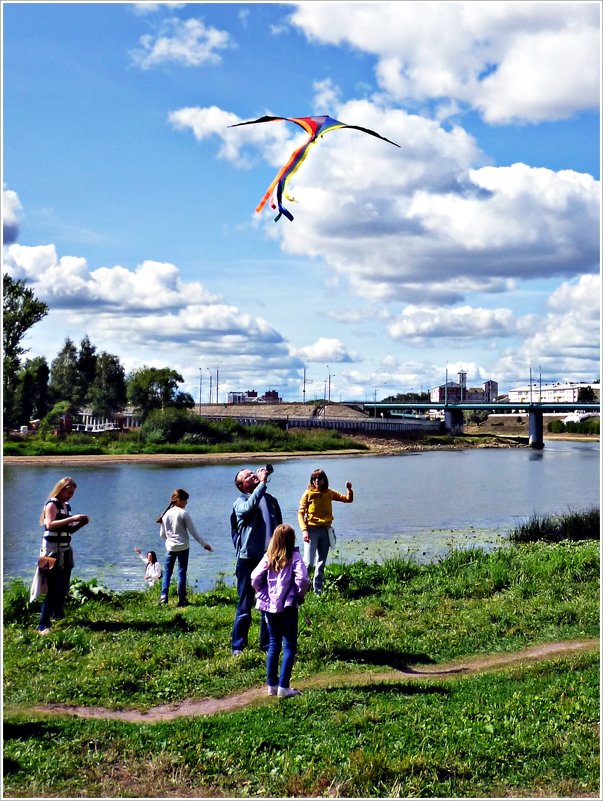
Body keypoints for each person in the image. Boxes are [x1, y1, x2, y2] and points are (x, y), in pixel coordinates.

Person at [251, 523, 310, 697]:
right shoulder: (295, 556)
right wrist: (299, 595)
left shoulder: (268, 556)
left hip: (269, 607)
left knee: (274, 644)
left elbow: (254, 577)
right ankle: (284, 687)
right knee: (290, 645)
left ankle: (272, 685)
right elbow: (304, 579)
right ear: (292, 540)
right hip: (289, 606)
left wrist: (261, 591)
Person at [231, 466, 282, 655]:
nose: (253, 475)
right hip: (248, 560)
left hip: (269, 559)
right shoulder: (241, 501)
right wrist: (262, 483)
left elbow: (279, 529)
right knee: (245, 604)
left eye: (253, 473)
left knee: (268, 603)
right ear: (242, 486)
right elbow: (249, 507)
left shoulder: (270, 500)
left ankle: (267, 646)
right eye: (248, 476)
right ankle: (238, 646)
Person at [31, 476, 90, 634]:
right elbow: (49, 524)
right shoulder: (52, 504)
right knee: (53, 588)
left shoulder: (66, 506)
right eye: (69, 492)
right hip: (52, 552)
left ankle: (58, 614)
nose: (71, 495)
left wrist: (80, 524)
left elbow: (68, 531)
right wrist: (73, 518)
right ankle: (43, 624)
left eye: (73, 493)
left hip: (65, 550)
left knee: (63, 587)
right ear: (61, 489)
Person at [298, 468, 353, 594]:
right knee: (309, 563)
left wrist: (349, 489)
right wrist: (304, 530)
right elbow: (300, 514)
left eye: (319, 478)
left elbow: (347, 499)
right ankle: (300, 589)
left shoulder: (329, 493)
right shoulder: (307, 494)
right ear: (312, 480)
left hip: (325, 531)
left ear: (324, 480)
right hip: (311, 531)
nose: (317, 480)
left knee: (321, 562)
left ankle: (318, 591)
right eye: (314, 478)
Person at [156, 489, 213, 607]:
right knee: (181, 572)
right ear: (179, 500)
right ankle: (182, 599)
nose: (186, 503)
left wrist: (169, 536)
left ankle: (163, 597)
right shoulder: (183, 513)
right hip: (183, 547)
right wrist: (204, 545)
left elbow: (162, 535)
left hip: (170, 548)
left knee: (167, 572)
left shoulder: (165, 514)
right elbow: (194, 532)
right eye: (186, 500)